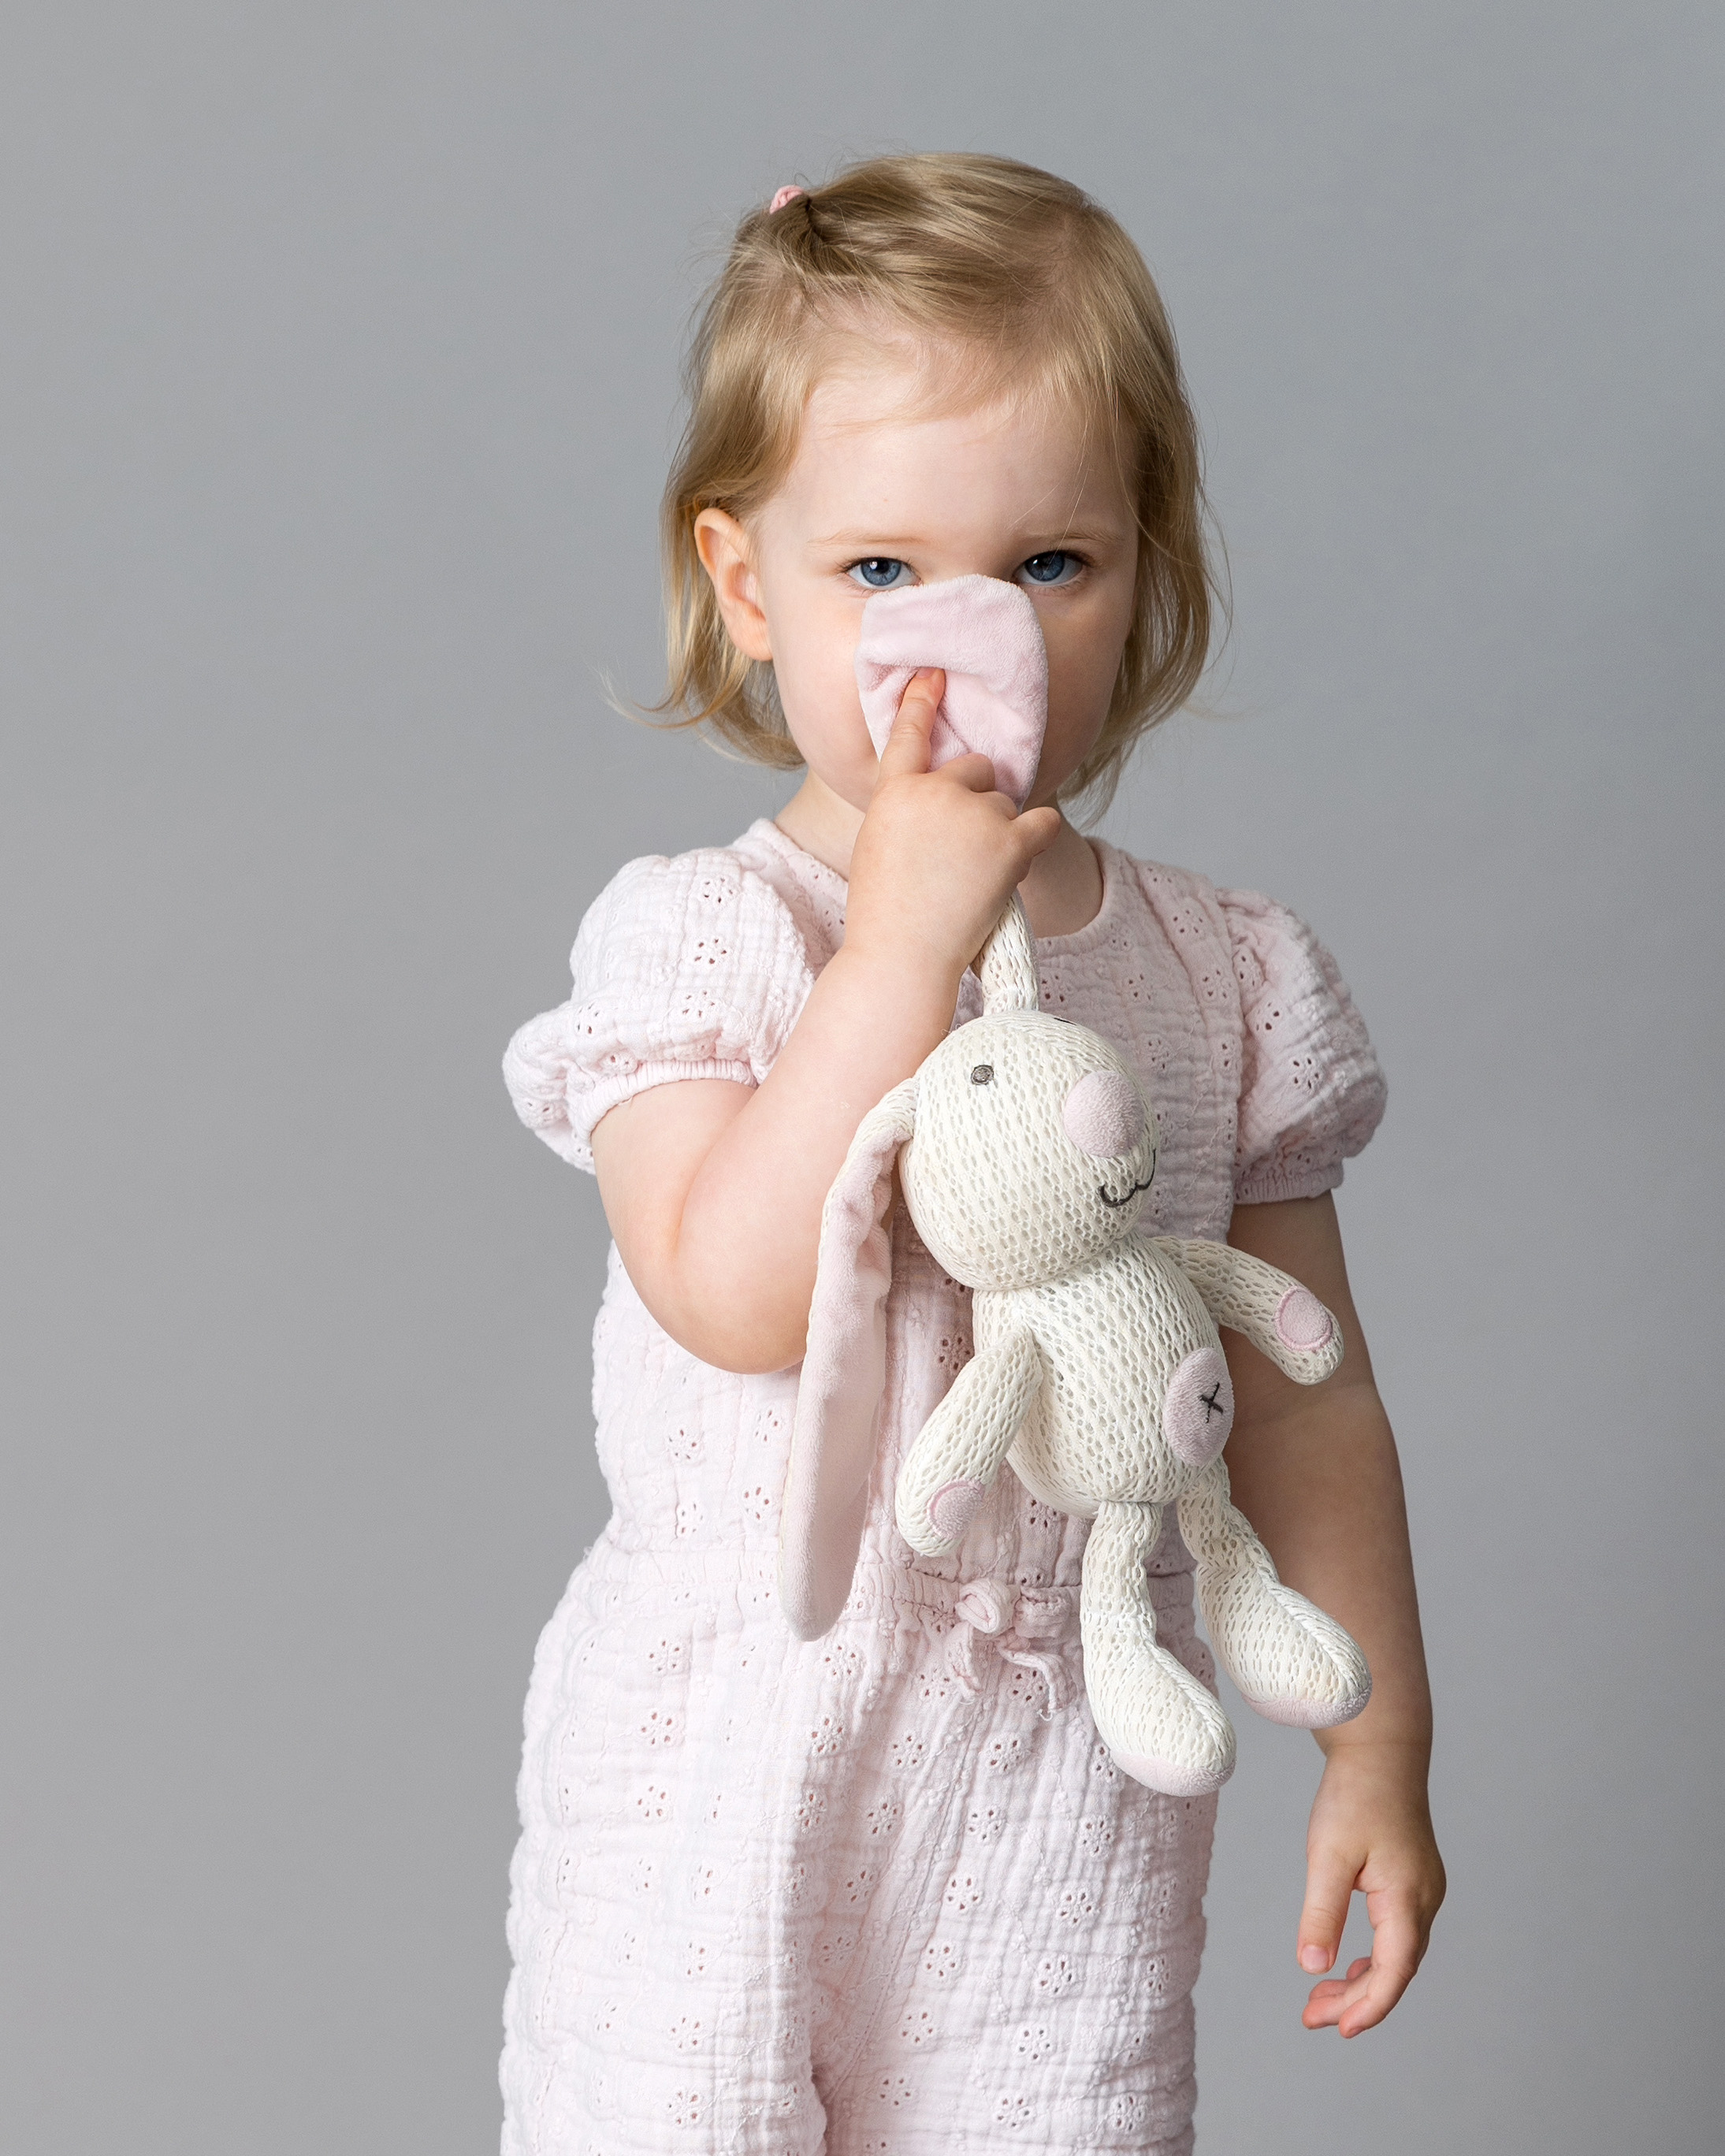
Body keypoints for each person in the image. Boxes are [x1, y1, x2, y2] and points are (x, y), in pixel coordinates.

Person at [499, 152, 1444, 2156]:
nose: (968, 632)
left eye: (1047, 567)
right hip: (724, 1754)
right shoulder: (701, 936)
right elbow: (733, 1292)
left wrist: (1377, 1744)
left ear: (1145, 567)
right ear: (748, 583)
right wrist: (907, 943)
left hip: (1060, 1757)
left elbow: (1306, 1397)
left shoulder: (1228, 973)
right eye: (878, 574)